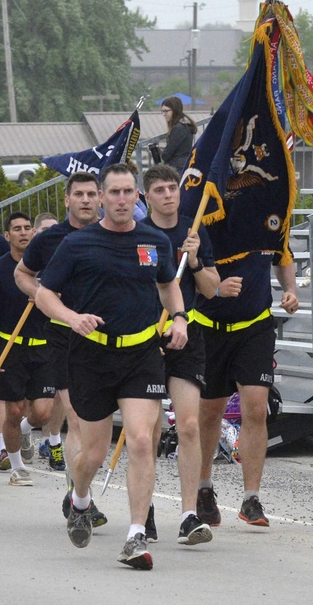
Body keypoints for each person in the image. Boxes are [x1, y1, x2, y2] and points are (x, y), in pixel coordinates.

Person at [34, 163, 188, 570]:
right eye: (114, 192)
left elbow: (168, 282)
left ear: (138, 196)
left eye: (128, 192)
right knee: (94, 452)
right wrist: (71, 317)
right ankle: (79, 498)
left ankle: (136, 535)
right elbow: (43, 294)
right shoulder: (77, 244)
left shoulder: (154, 241)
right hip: (91, 355)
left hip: (140, 354)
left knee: (141, 440)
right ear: (101, 197)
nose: (122, 199)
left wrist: (179, 318)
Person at [14, 173, 106, 521]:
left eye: (90, 194)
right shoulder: (50, 239)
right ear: (66, 200)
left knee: (99, 425)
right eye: (78, 194)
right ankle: (79, 494)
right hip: (63, 335)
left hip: (108, 335)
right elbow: (22, 273)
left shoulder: (113, 233)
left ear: (100, 198)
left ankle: (80, 491)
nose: (85, 200)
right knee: (79, 421)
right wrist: (42, 295)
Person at [194, 228, 299, 530]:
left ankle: (251, 498)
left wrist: (289, 289)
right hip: (208, 327)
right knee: (210, 412)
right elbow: (186, 276)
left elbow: (283, 256)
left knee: (255, 408)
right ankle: (203, 487)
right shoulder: (208, 221)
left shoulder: (266, 219)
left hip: (255, 327)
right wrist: (214, 288)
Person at [141, 164, 221, 545]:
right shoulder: (139, 235)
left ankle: (190, 514)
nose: (168, 195)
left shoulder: (193, 230)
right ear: (147, 197)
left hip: (186, 332)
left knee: (188, 425)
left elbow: (211, 289)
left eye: (172, 188)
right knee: (150, 430)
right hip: (146, 337)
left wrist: (195, 261)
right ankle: (146, 507)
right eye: (159, 190)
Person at [0, 212, 55, 487]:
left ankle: (25, 431)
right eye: (17, 229)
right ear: (8, 236)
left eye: (28, 228)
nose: (24, 232)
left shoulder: (48, 267)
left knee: (44, 413)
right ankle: (17, 467)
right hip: (9, 347)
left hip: (44, 347)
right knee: (13, 411)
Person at [150, 96, 198, 174]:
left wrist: (157, 151)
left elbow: (166, 155)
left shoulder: (178, 128)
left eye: (166, 111)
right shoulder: (185, 125)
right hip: (183, 166)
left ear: (175, 111)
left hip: (177, 168)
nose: (164, 114)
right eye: (162, 111)